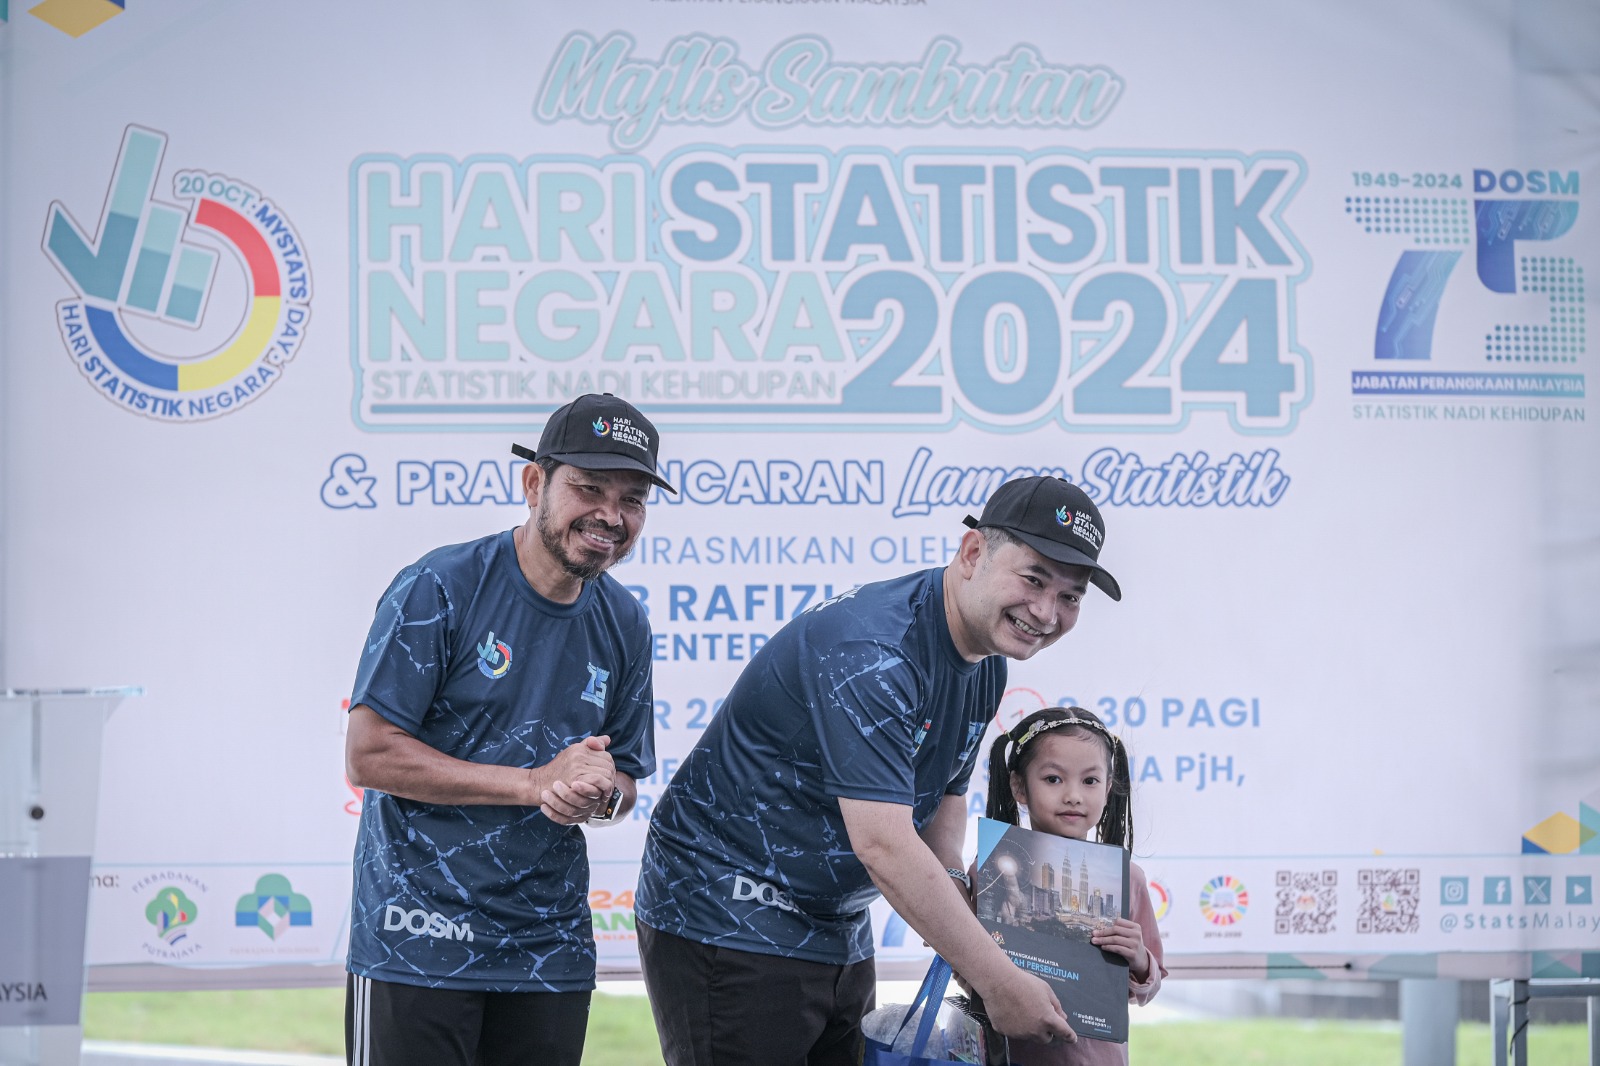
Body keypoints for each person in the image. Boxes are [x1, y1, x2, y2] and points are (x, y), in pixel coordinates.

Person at [634, 475, 1124, 1066]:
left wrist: (957, 889)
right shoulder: (875, 651)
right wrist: (995, 980)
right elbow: (884, 843)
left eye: (1070, 597)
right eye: (1034, 579)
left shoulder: (985, 660)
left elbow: (945, 795)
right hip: (728, 914)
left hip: (835, 924)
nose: (1046, 612)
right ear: (973, 553)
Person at [341, 393, 673, 1066]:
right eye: (589, 489)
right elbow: (370, 754)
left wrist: (596, 793)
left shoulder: (625, 621)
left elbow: (625, 783)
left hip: (548, 950)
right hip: (418, 936)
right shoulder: (439, 586)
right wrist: (533, 783)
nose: (611, 516)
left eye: (632, 499)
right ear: (533, 483)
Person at [977, 706, 1166, 1065]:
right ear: (1019, 786)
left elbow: (1148, 985)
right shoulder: (990, 872)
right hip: (1008, 1054)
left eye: (1090, 781)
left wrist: (1140, 958)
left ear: (1108, 788)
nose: (1073, 795)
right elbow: (967, 969)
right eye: (1053, 779)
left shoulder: (1129, 879)